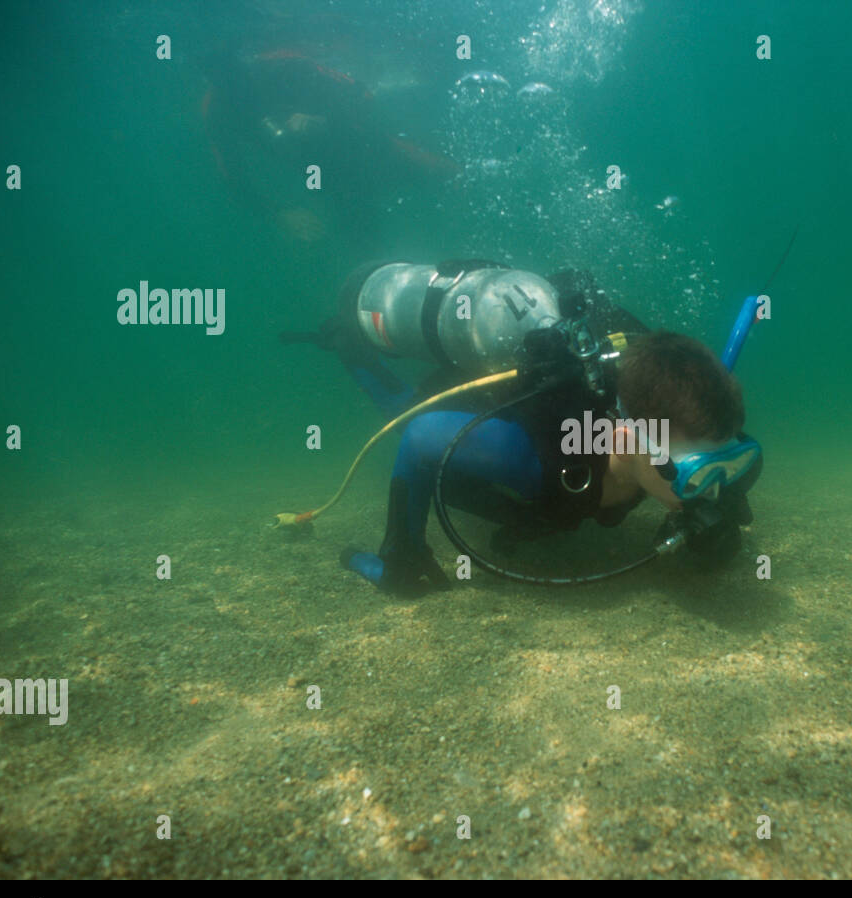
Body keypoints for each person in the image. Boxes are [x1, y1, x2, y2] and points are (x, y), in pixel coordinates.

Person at [282, 260, 762, 595]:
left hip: (569, 405)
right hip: (488, 399)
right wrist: (402, 549)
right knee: (405, 413)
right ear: (623, 439)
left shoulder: (669, 435)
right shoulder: (541, 459)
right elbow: (421, 435)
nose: (713, 489)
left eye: (733, 463)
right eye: (698, 472)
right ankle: (348, 343)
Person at [200, 45, 456, 249]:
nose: (236, 86)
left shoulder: (286, 65)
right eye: (222, 79)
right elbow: (233, 179)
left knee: (453, 179)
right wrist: (280, 213)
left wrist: (324, 121)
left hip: (371, 148)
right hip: (333, 181)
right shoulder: (217, 111)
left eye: (235, 72)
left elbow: (363, 96)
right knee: (370, 254)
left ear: (242, 62)